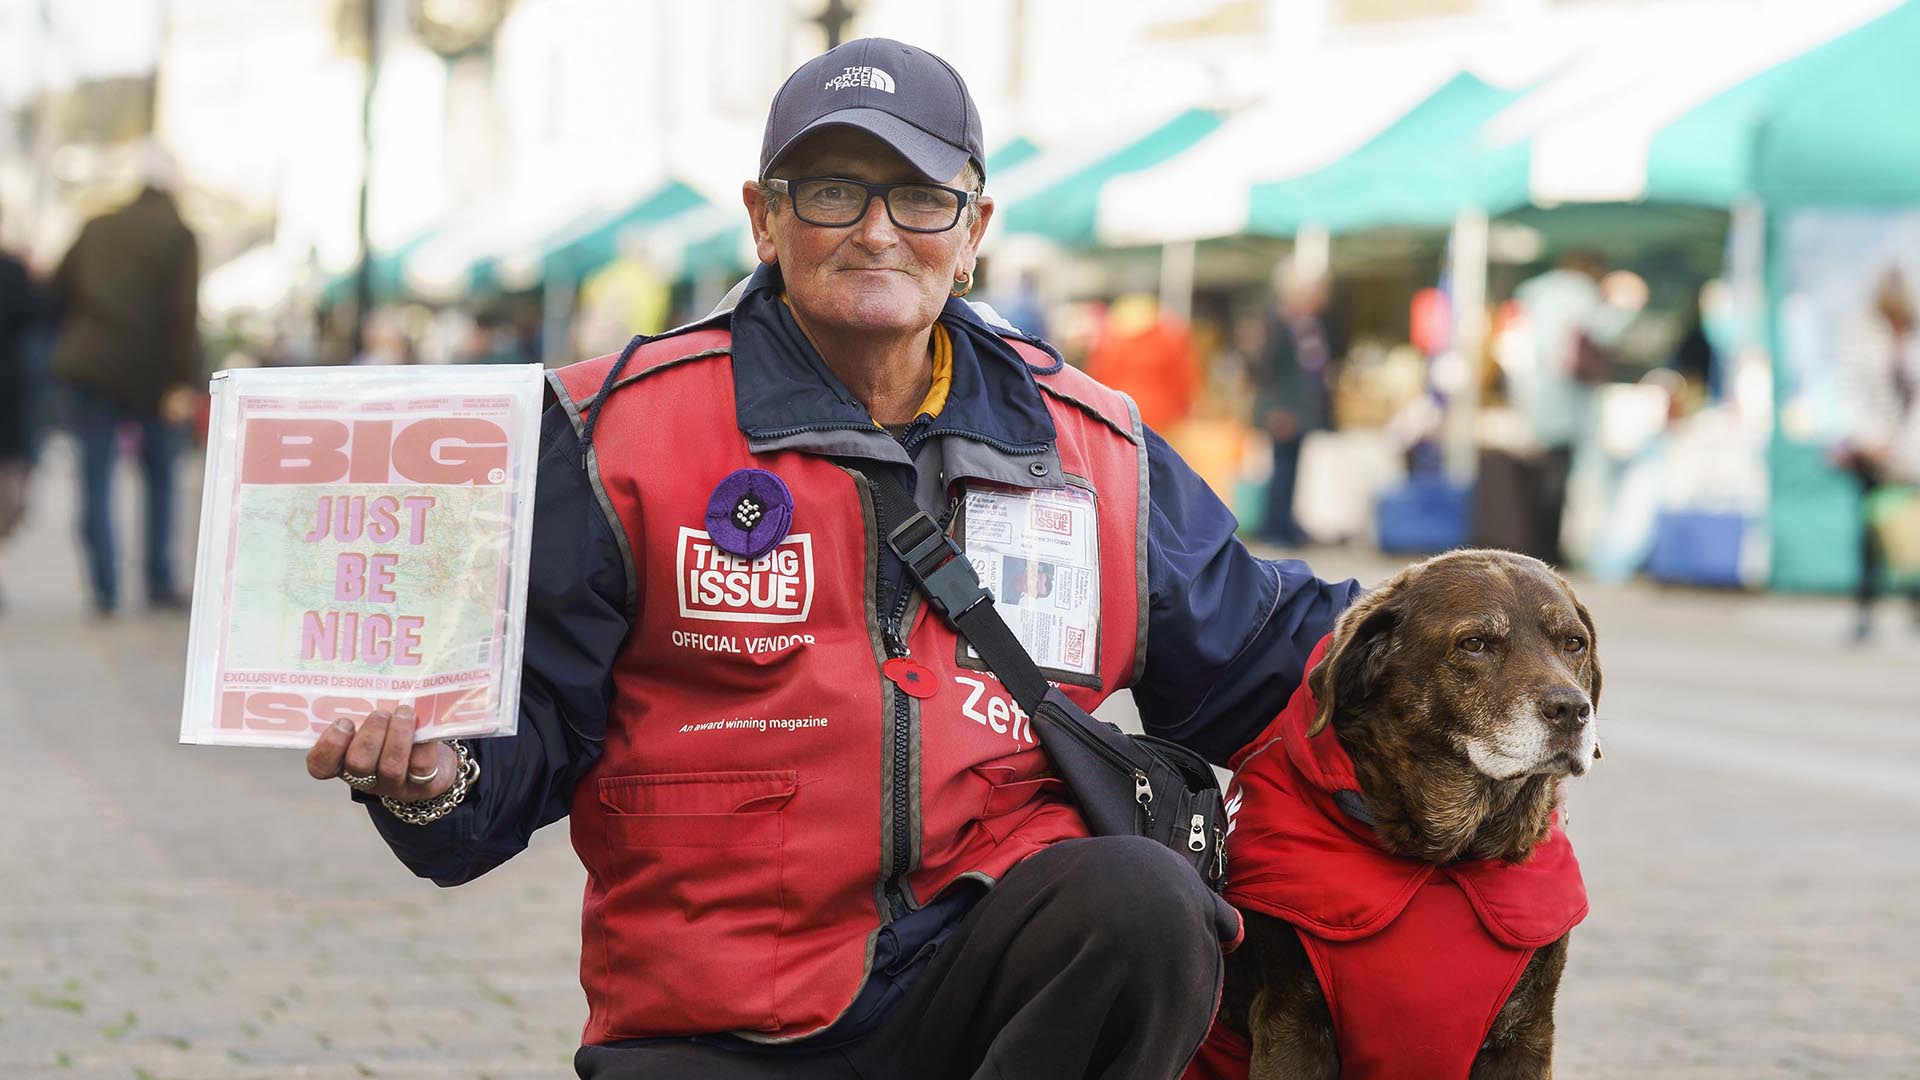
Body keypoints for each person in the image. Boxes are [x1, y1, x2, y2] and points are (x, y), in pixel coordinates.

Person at [305, 38, 1357, 1080]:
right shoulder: (615, 430)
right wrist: (435, 776)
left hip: (984, 976)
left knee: (1145, 906)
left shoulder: (1092, 450)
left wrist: (1489, 663)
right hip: (713, 1019)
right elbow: (519, 741)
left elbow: (1269, 657)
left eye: (919, 197)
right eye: (834, 192)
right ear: (764, 218)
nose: (878, 232)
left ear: (974, 228)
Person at [48, 144, 200, 615]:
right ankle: (157, 580)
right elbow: (183, 315)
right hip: (152, 372)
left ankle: (105, 587)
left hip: (92, 367)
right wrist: (185, 380)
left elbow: (57, 290)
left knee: (95, 476)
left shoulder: (97, 227)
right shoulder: (177, 235)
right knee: (160, 477)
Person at [1476, 251, 1644, 565]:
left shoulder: (1531, 296)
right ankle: (1550, 551)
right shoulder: (1582, 296)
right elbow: (1604, 333)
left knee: (1530, 479)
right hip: (1568, 404)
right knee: (1559, 482)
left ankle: (1529, 547)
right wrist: (1628, 304)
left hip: (1530, 400)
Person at [1833, 267, 1920, 641]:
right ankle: (1866, 608)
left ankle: (1915, 606)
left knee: (1914, 531)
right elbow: (1853, 388)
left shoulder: (1913, 335)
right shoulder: (1865, 333)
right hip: (1875, 449)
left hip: (1912, 447)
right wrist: (1869, 437)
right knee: (1871, 531)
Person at [1254, 265, 1338, 547]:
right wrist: (1276, 409)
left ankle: (1286, 523)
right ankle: (1274, 527)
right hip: (1284, 409)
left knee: (1293, 470)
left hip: (1303, 408)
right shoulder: (1277, 324)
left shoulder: (1311, 325)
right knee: (1281, 470)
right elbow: (1267, 371)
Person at [0, 211, 52, 611]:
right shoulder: (14, 271)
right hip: (10, 400)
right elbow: (45, 316)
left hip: (11, 401)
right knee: (8, 492)